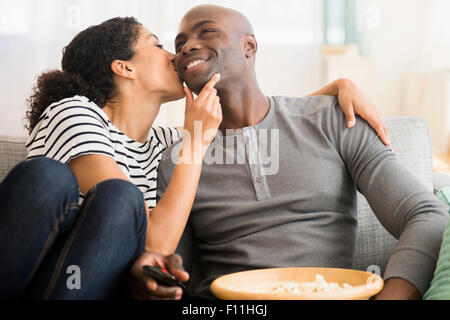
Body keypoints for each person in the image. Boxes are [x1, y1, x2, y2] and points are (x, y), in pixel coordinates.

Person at [0, 16, 389, 300]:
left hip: (95, 289)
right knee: (97, 191)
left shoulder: (164, 145)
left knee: (124, 198)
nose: (176, 54)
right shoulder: (75, 112)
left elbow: (256, 118)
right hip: (37, 275)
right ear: (124, 67)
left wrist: (337, 87)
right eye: (158, 44)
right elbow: (154, 239)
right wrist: (196, 144)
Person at [154, 4, 449, 300]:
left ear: (249, 46)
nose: (188, 46)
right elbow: (174, 266)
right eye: (179, 45)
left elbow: (425, 215)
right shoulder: (178, 162)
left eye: (206, 31)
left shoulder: (334, 119)